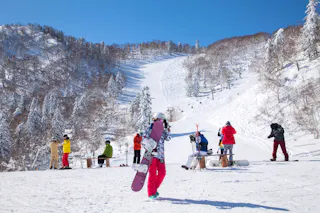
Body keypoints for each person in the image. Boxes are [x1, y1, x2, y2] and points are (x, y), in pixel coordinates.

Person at [145, 112, 171, 199]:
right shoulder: (150, 128)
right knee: (152, 174)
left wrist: (167, 128)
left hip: (161, 155)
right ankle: (151, 193)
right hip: (152, 154)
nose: (161, 122)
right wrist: (150, 145)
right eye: (159, 120)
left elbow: (168, 138)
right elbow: (144, 139)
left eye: (162, 120)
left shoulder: (163, 129)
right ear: (155, 120)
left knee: (162, 173)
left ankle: (153, 189)